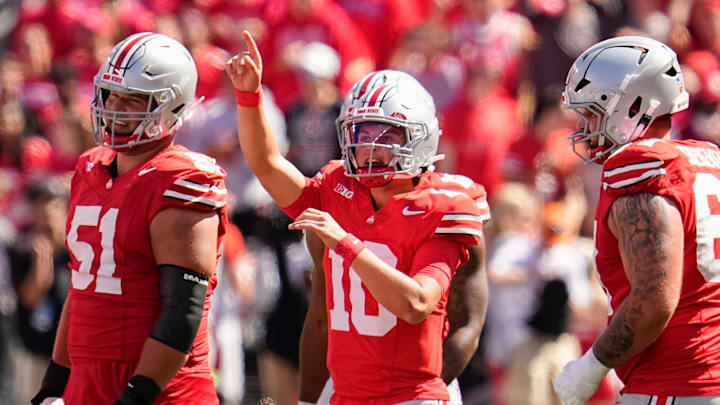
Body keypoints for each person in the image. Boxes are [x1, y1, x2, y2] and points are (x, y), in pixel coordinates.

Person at [227, 31, 489, 404]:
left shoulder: (445, 205)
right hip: (346, 392)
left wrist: (346, 243)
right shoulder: (337, 189)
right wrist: (249, 97)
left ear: (421, 138)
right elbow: (267, 164)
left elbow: (423, 307)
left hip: (414, 394)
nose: (370, 149)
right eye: (362, 134)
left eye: (387, 136)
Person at [31, 32, 228, 405]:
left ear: (172, 106)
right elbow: (82, 290)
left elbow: (181, 312)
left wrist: (134, 398)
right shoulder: (90, 167)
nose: (115, 109)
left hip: (161, 390)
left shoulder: (182, 179)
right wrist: (54, 385)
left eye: (133, 101)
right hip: (89, 384)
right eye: (111, 95)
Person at [554, 35, 720, 404]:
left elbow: (653, 299)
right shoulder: (705, 158)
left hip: (677, 382)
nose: (585, 127)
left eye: (593, 112)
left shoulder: (641, 167)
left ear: (633, 106)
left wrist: (589, 368)